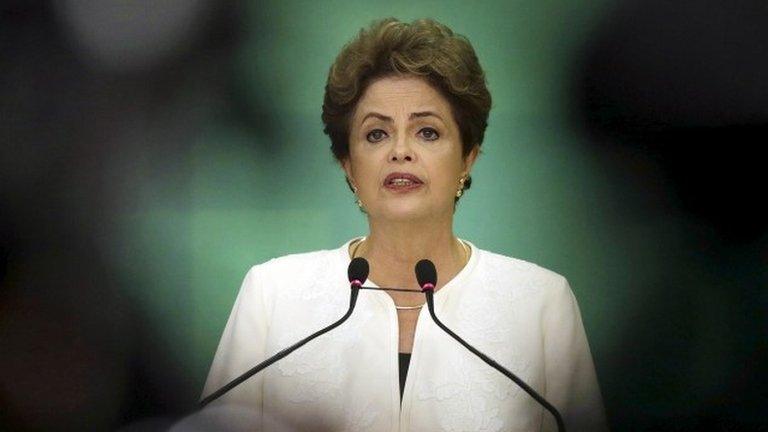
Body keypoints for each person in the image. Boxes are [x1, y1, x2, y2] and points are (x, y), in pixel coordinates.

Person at [199, 18, 608, 432]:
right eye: (376, 134)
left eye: (427, 132)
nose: (400, 151)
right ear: (348, 164)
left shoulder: (541, 306)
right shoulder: (271, 297)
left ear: (468, 157)